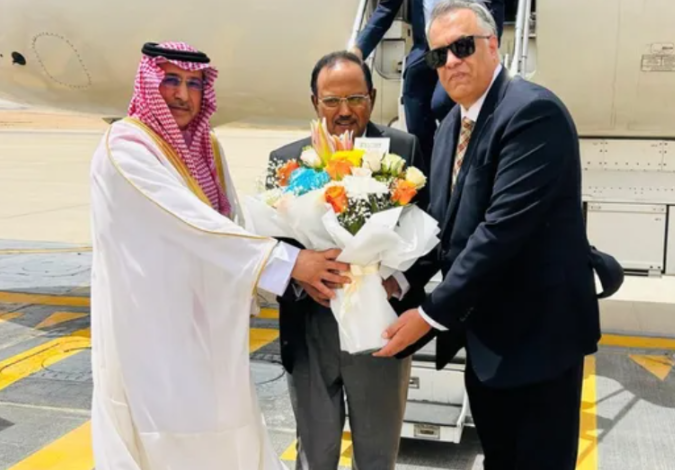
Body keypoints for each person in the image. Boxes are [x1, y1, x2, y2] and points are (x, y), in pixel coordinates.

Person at [89, 41, 350, 470]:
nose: (183, 95)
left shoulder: (205, 146)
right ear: (149, 83)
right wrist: (288, 264)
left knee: (222, 425)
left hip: (208, 323)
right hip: (153, 331)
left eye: (194, 84)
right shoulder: (126, 148)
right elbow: (190, 223)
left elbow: (231, 219)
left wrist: (293, 260)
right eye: (171, 80)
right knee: (169, 435)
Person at [373, 2, 601, 469]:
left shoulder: (531, 113)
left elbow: (500, 233)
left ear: (493, 45)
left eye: (463, 47)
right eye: (439, 55)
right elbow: (441, 229)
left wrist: (429, 314)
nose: (451, 62)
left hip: (538, 342)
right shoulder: (451, 127)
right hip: (486, 343)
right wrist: (396, 280)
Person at [266, 50, 427, 470]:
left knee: (377, 456)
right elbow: (271, 243)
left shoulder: (404, 150)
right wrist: (301, 273)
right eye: (332, 101)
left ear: (371, 97)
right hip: (310, 329)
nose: (344, 111)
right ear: (314, 102)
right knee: (314, 456)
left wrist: (395, 282)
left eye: (355, 99)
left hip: (380, 328)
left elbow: (430, 232)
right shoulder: (285, 160)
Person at [352, 0, 504, 174]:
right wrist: (358, 50)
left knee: (441, 102)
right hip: (426, 49)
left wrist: (490, 42)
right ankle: (427, 176)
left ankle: (462, 167)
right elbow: (387, 7)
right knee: (414, 103)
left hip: (461, 46)